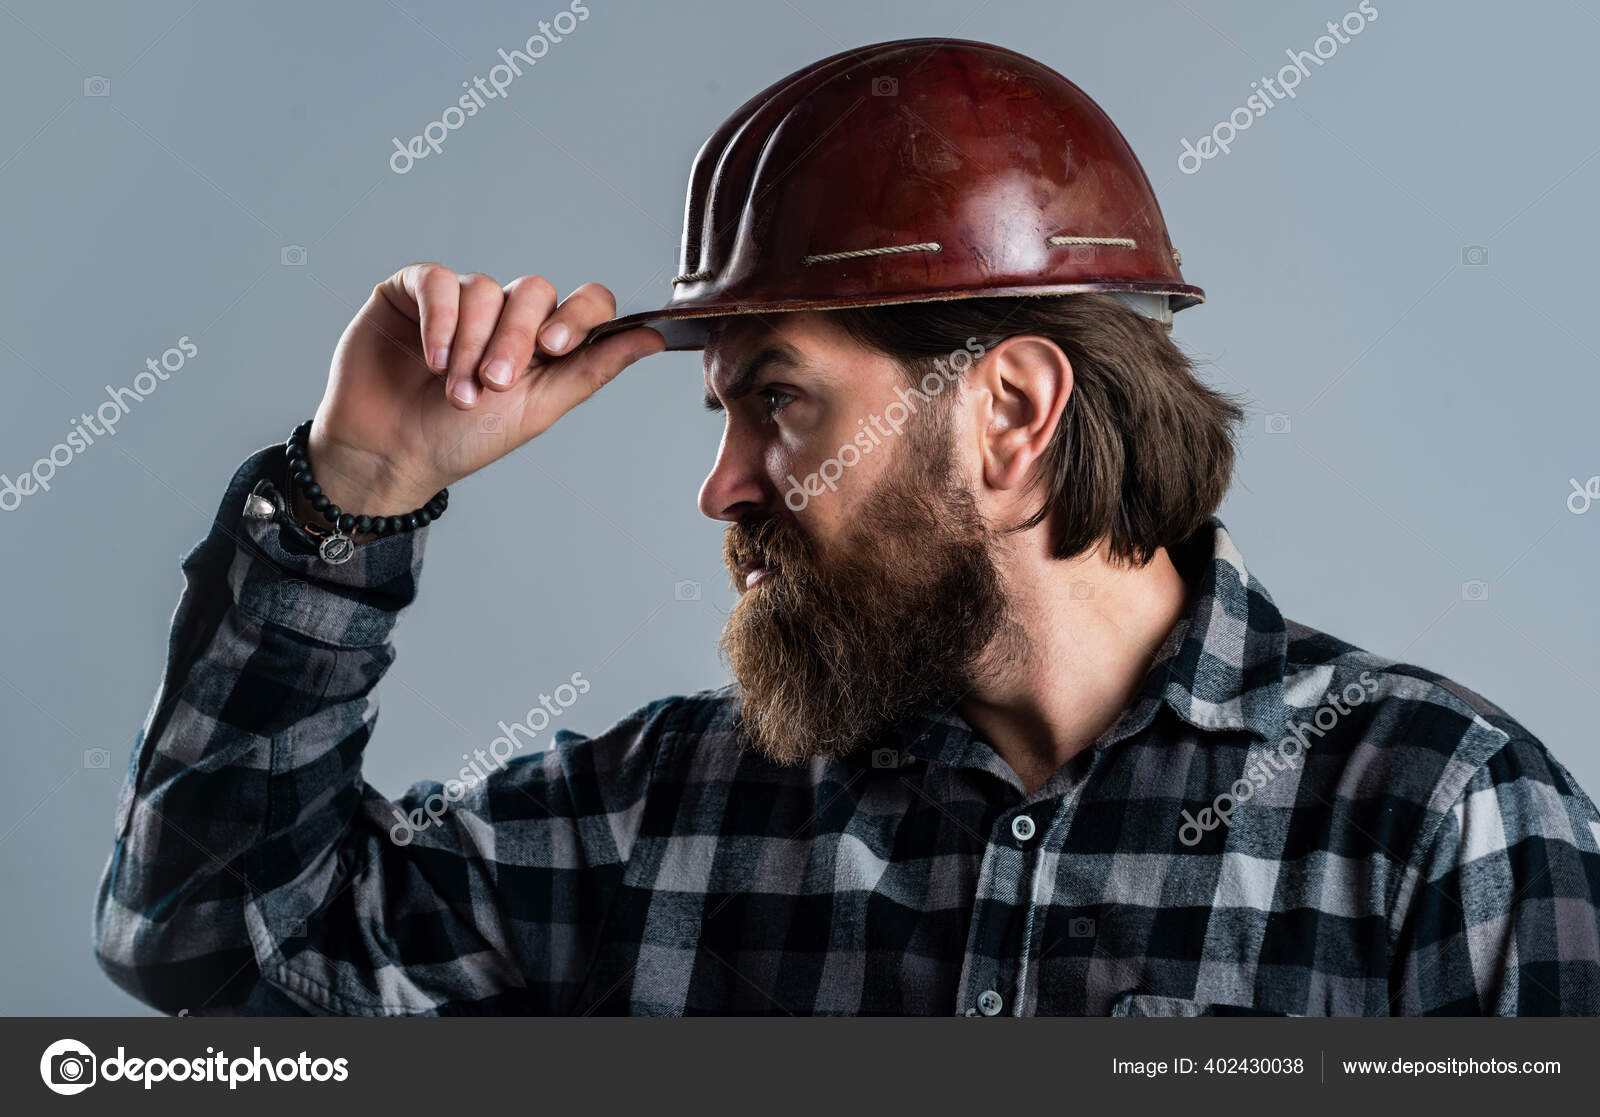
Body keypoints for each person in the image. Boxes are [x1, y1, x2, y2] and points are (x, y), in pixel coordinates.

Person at [94, 38, 1600, 1016]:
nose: (725, 485)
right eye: (727, 418)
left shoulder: (1438, 827)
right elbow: (219, 948)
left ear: (1011, 415)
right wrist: (356, 486)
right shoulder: (669, 816)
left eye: (784, 405)